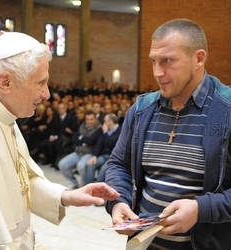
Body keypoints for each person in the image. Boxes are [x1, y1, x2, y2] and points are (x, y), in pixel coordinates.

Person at [0, 32, 120, 249]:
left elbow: (22, 182)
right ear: (5, 82)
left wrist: (66, 195)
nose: (47, 94)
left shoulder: (5, 116)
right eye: (40, 83)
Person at [105, 18, 231, 250]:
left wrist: (201, 209)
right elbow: (118, 164)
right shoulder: (142, 109)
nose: (157, 72)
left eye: (168, 61)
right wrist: (118, 201)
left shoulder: (227, 110)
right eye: (154, 61)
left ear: (199, 58)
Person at [58, 110, 102, 189]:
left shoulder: (99, 128)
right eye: (87, 119)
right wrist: (84, 141)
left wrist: (81, 139)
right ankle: (75, 183)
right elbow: (74, 139)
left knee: (81, 166)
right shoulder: (82, 126)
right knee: (62, 164)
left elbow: (92, 140)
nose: (89, 121)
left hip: (89, 154)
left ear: (95, 119)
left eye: (91, 119)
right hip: (78, 152)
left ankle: (84, 186)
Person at [84, 113, 121, 184]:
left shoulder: (120, 131)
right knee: (90, 164)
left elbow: (111, 143)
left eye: (105, 121)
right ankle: (88, 187)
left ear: (110, 121)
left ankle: (99, 189)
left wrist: (105, 133)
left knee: (103, 169)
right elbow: (99, 144)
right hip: (103, 155)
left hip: (114, 157)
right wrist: (94, 156)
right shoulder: (105, 130)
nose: (104, 123)